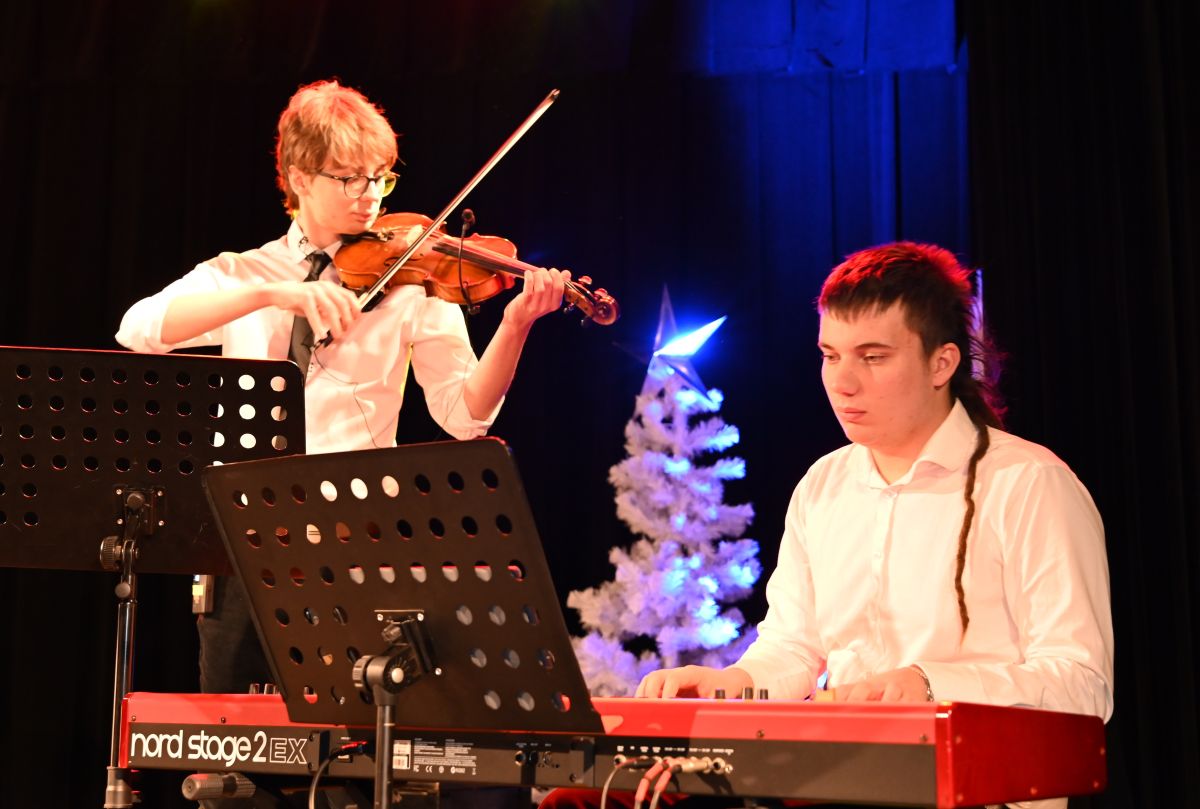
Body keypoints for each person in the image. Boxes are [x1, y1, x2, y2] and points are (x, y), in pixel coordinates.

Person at [558, 242, 1114, 809]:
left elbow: (1082, 686)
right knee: (579, 801)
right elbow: (795, 649)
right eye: (830, 355)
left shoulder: (1028, 484)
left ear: (942, 363)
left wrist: (930, 685)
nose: (842, 382)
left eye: (873, 357)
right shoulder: (824, 484)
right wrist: (730, 684)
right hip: (838, 777)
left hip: (970, 790)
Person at [116, 79, 566, 708]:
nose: (370, 195)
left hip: (358, 539)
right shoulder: (244, 273)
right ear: (299, 178)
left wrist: (515, 327)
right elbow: (137, 329)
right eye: (349, 178)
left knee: (352, 737)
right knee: (239, 737)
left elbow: (465, 416)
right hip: (246, 537)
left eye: (380, 178)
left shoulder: (414, 280)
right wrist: (273, 294)